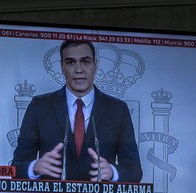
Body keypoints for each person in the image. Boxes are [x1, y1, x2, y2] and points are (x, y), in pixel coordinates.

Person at [12, 39, 143, 183]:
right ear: (62, 67)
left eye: (85, 62)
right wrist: (34, 168)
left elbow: (135, 172)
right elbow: (16, 168)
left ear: (95, 65)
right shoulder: (40, 107)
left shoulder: (118, 110)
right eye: (70, 62)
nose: (79, 69)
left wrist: (112, 172)